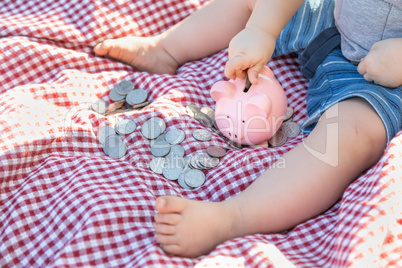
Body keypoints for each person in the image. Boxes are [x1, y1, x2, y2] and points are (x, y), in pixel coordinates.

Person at [94, 0, 402, 258]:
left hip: (389, 77)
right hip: (336, 18)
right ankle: (166, 49)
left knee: (353, 136)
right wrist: (261, 29)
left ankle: (234, 216)